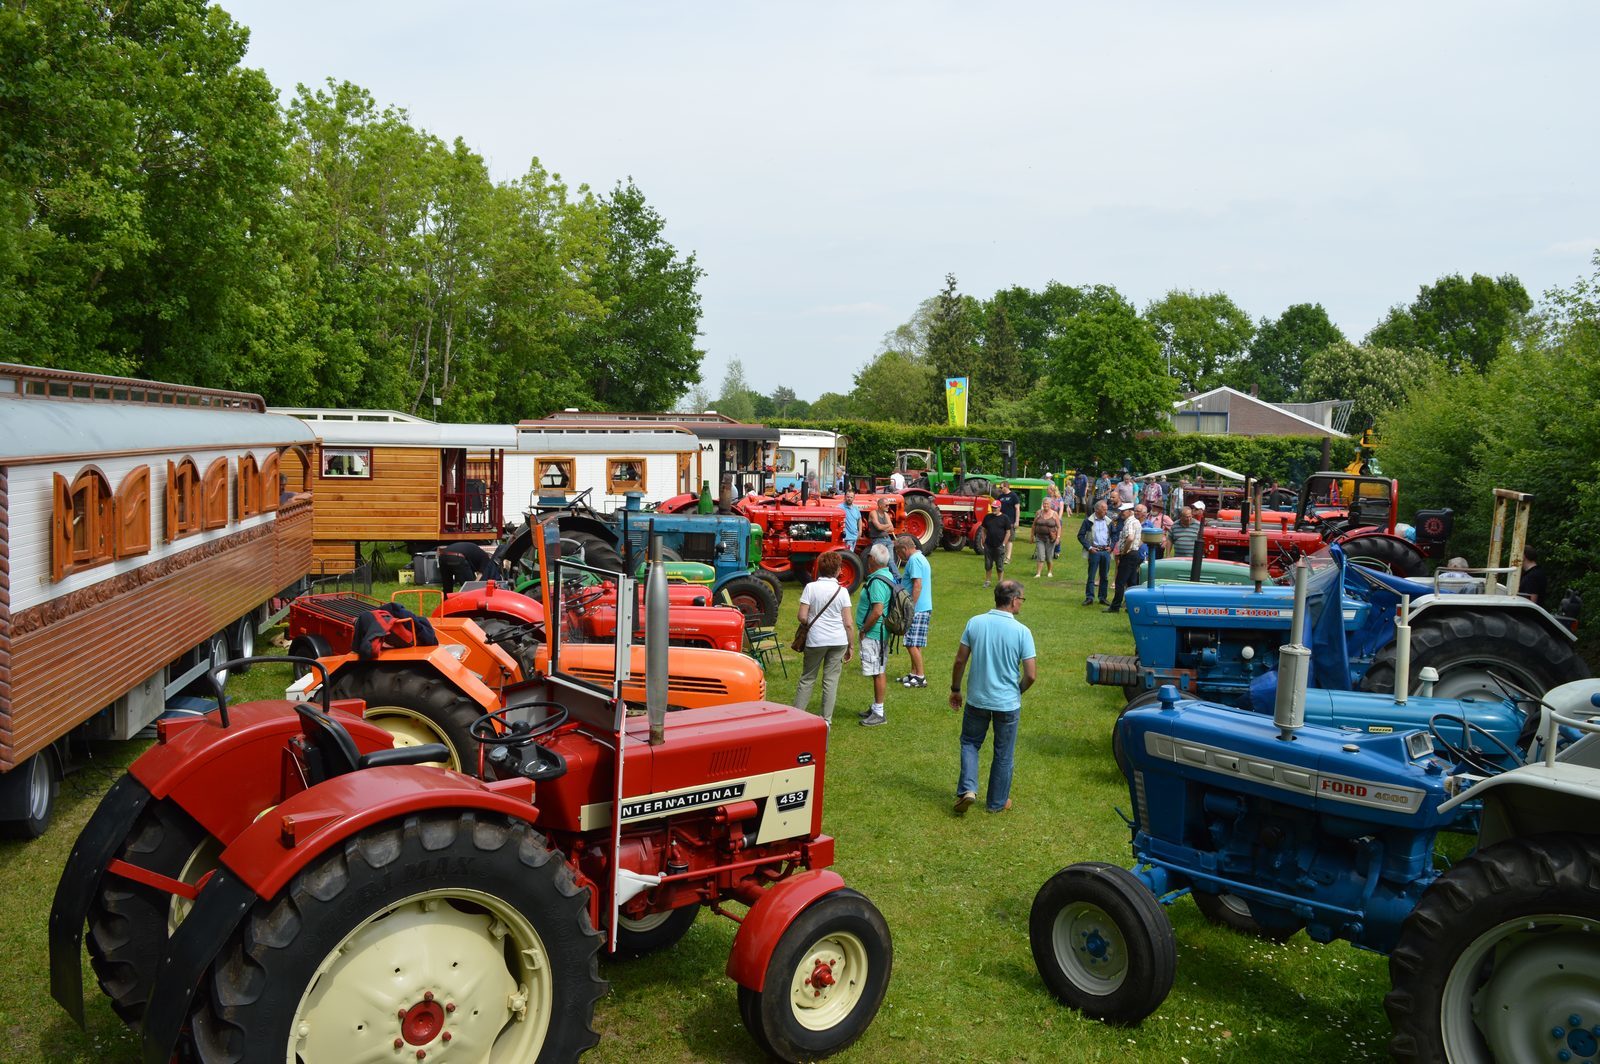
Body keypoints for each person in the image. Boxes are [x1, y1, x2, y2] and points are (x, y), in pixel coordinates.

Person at [949, 580, 1037, 815]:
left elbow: (960, 660)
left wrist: (956, 688)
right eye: (1022, 599)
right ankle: (997, 803)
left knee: (970, 743)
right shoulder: (1022, 632)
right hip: (1007, 703)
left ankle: (968, 789)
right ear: (1013, 599)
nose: (1022, 604)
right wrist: (1017, 691)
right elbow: (1031, 675)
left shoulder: (975, 623)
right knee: (1004, 753)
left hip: (977, 698)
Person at [793, 551, 856, 727]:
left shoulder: (810, 588)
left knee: (807, 678)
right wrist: (851, 646)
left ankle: (796, 718)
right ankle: (826, 720)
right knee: (831, 680)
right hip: (838, 640)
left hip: (816, 640)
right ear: (838, 570)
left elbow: (802, 616)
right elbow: (849, 623)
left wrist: (813, 621)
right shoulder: (842, 591)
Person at [855, 544, 895, 727]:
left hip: (874, 633)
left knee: (878, 671)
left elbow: (877, 610)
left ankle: (879, 712)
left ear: (873, 560)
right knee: (877, 670)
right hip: (879, 632)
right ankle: (875, 707)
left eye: (869, 556)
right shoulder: (886, 575)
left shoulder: (878, 581)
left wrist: (863, 629)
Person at [893, 534, 932, 687]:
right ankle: (913, 674)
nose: (898, 555)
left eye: (898, 552)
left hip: (918, 608)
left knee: (910, 642)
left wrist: (911, 607)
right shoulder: (921, 558)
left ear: (904, 548)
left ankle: (921, 677)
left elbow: (917, 585)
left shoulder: (914, 560)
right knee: (916, 643)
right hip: (924, 607)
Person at [1105, 503, 1146, 612]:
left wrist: (1125, 550)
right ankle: (1132, 606)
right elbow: (1142, 537)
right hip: (1135, 554)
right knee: (1132, 582)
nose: (1121, 513)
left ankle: (1115, 607)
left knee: (1120, 582)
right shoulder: (1137, 521)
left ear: (1129, 511)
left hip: (1128, 555)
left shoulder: (1129, 523)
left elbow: (1130, 538)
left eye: (1123, 511)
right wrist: (1135, 547)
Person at [1077, 499, 1114, 605]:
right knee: (1091, 575)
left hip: (1106, 551)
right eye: (1104, 510)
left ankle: (1102, 597)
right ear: (1096, 510)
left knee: (1104, 576)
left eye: (1106, 509)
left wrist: (1111, 547)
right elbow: (1080, 535)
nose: (1106, 512)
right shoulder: (1088, 521)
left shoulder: (1109, 521)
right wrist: (1089, 547)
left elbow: (1115, 535)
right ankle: (1089, 597)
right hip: (1094, 551)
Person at [976, 502, 1013, 588]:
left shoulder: (1005, 518)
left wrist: (1004, 543)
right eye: (993, 507)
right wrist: (983, 540)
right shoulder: (988, 517)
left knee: (999, 565)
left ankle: (1000, 582)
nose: (993, 509)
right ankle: (987, 581)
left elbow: (1008, 532)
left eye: (995, 508)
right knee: (988, 564)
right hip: (988, 545)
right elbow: (983, 529)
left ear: (1000, 508)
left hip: (999, 545)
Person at [1030, 491, 1061, 578]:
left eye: (1047, 504)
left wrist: (1058, 537)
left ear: (1050, 505)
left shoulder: (1055, 514)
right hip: (1039, 537)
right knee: (1040, 555)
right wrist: (1032, 536)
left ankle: (1049, 571)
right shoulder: (1038, 513)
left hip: (1050, 539)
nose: (1045, 506)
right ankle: (1038, 573)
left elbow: (1059, 527)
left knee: (1049, 556)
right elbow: (1034, 525)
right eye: (1044, 504)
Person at [867, 497, 899, 577]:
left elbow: (892, 528)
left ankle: (894, 577)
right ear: (880, 505)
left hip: (887, 539)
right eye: (886, 505)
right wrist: (887, 526)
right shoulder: (873, 513)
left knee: (890, 560)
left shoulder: (886, 515)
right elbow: (879, 527)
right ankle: (896, 577)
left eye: (888, 505)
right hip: (877, 540)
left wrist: (884, 526)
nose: (888, 507)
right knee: (878, 561)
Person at [993, 480, 1022, 566]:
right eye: (1000, 487)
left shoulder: (1013, 496)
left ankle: (1008, 558)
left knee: (1009, 540)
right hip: (1000, 521)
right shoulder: (1000, 497)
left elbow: (1017, 509)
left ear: (1006, 486)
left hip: (1010, 521)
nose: (1001, 489)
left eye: (1002, 487)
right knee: (1000, 538)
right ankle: (1000, 555)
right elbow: (996, 508)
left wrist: (1017, 521)